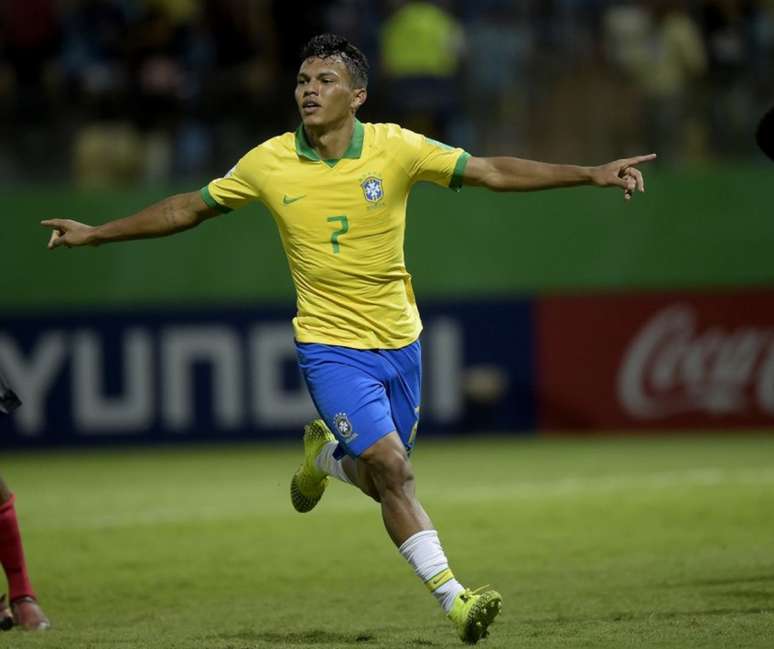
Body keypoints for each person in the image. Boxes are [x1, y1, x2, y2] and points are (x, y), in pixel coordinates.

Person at [41, 33, 655, 644]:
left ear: (357, 95)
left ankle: (327, 459)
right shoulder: (268, 161)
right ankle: (456, 600)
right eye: (303, 81)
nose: (309, 90)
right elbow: (184, 209)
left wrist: (590, 174)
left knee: (379, 474)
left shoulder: (398, 148)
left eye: (324, 81)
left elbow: (491, 170)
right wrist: (97, 233)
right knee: (394, 470)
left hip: (401, 341)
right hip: (328, 346)